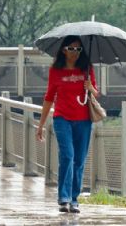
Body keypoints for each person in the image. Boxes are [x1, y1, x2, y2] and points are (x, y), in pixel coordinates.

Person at [36, 35, 98, 213]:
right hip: (62, 119)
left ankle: (74, 198)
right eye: (71, 49)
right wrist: (40, 125)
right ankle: (63, 198)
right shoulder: (55, 70)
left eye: (78, 49)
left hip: (84, 120)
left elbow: (96, 92)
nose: (75, 52)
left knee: (79, 160)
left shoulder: (87, 68)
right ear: (64, 50)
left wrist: (90, 88)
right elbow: (49, 98)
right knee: (68, 156)